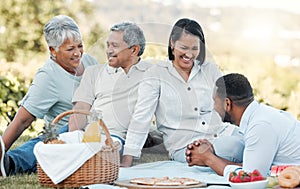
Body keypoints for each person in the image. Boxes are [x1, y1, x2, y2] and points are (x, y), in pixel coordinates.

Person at [121, 18, 244, 167]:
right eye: (184, 47)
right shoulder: (156, 74)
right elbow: (141, 117)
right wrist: (127, 160)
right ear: (172, 43)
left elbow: (226, 108)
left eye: (194, 48)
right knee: (234, 148)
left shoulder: (210, 70)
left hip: (223, 134)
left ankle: (245, 170)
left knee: (251, 140)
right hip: (186, 146)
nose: (189, 54)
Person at [0, 15, 98, 177]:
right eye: (70, 49)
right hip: (66, 137)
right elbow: (23, 120)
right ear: (53, 50)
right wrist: (2, 149)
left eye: (80, 46)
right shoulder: (48, 77)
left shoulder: (90, 62)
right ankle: (10, 163)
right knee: (53, 139)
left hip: (95, 131)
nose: (78, 53)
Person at [186, 73, 300, 178]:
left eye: (215, 102)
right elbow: (249, 167)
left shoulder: (260, 126)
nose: (214, 108)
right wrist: (212, 157)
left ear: (227, 104)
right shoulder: (261, 116)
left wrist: (208, 159)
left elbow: (250, 178)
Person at [68, 22, 153, 157]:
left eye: (115, 46)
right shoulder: (93, 72)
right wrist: (74, 140)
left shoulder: (151, 73)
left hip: (113, 137)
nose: (109, 50)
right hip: (84, 131)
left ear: (134, 50)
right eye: (108, 45)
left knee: (99, 151)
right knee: (40, 146)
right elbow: (79, 110)